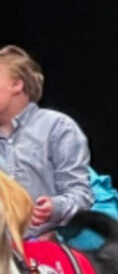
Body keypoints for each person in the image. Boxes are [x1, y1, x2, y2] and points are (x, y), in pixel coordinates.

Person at [0, 46, 91, 237]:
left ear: (17, 85)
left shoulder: (57, 127)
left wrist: (55, 208)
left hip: (42, 248)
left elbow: (81, 196)